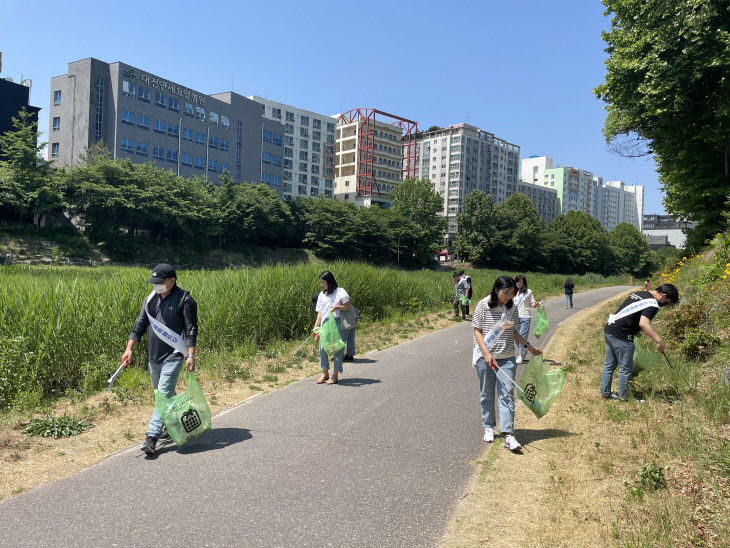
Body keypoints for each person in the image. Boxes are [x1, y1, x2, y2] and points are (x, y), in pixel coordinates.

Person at [122, 264, 198, 456]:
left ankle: (152, 437)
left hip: (174, 354)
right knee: (163, 395)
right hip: (153, 356)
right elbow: (140, 325)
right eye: (154, 282)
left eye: (159, 282)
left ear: (171, 281)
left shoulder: (185, 300)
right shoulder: (150, 300)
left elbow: (191, 330)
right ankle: (175, 425)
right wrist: (129, 349)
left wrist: (191, 355)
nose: (156, 286)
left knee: (163, 393)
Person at [472, 275, 542, 452]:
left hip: (507, 356)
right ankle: (488, 426)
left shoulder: (512, 308)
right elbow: (477, 331)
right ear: (496, 290)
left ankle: (509, 434)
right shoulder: (483, 305)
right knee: (487, 394)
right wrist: (486, 354)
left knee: (507, 394)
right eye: (505, 293)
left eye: (512, 293)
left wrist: (529, 347)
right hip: (485, 357)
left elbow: (514, 332)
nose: (508, 296)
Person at [600, 283, 679, 401]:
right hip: (622, 336)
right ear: (663, 296)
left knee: (609, 365)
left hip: (610, 330)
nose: (665, 305)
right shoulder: (653, 304)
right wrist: (659, 341)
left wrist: (634, 330)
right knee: (626, 369)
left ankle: (605, 393)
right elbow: (643, 323)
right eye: (667, 302)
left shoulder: (640, 293)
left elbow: (630, 314)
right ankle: (624, 397)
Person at [313, 271, 352, 384]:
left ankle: (335, 375)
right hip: (325, 324)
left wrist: (338, 307)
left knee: (337, 349)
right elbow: (320, 312)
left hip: (338, 323)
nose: (322, 285)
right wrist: (316, 327)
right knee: (322, 348)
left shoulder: (340, 291)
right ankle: (325, 373)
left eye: (323, 283)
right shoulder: (322, 295)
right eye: (321, 283)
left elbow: (347, 307)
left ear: (330, 282)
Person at [514, 275, 539, 365]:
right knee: (516, 338)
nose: (519, 284)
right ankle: (524, 351)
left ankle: (521, 355)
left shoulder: (528, 292)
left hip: (525, 317)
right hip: (515, 318)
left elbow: (532, 302)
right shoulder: (513, 292)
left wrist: (535, 304)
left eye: (521, 282)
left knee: (522, 337)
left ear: (524, 283)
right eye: (518, 282)